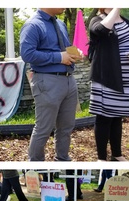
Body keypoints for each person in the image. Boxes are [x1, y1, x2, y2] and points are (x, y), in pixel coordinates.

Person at [20, 8, 82, 161]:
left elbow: (64, 49)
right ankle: (35, 165)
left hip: (68, 80)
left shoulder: (60, 24)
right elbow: (27, 54)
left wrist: (75, 53)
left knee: (66, 127)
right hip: (47, 81)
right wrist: (58, 57)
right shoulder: (33, 25)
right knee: (44, 128)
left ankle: (62, 159)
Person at [88, 8, 129, 162]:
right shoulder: (96, 19)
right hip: (107, 77)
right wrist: (115, 10)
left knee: (117, 117)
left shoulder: (128, 22)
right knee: (104, 117)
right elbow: (100, 30)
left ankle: (117, 153)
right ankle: (101, 157)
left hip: (126, 78)